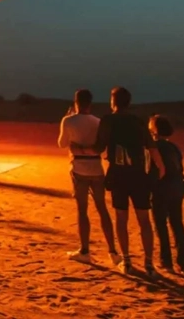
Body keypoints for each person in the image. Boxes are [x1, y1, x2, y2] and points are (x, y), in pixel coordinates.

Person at [92, 86, 163, 276]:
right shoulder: (138, 121)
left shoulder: (108, 120)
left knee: (121, 218)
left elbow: (99, 147)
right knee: (144, 220)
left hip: (119, 174)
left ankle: (127, 260)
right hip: (139, 175)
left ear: (113, 102)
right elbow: (152, 146)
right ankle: (149, 264)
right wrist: (161, 167)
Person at [57, 89, 119, 265]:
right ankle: (113, 251)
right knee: (102, 209)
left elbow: (61, 144)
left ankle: (85, 250)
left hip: (79, 167)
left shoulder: (68, 120)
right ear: (90, 103)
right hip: (96, 168)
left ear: (76, 102)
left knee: (82, 210)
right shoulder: (98, 122)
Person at [148, 114, 184, 272]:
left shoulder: (154, 146)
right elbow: (180, 168)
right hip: (177, 188)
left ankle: (166, 261)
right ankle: (183, 261)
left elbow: (153, 169)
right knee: (177, 223)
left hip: (161, 189)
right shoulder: (174, 147)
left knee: (161, 225)